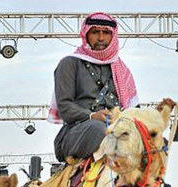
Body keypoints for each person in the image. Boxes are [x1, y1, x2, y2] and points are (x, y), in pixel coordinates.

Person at [49, 12, 139, 163]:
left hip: (118, 132)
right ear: (86, 34)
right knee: (100, 129)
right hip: (79, 133)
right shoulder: (69, 63)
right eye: (95, 32)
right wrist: (92, 116)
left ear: (113, 36)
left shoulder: (121, 69)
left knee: (155, 139)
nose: (101, 38)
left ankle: (152, 184)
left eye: (106, 33)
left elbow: (134, 110)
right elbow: (65, 108)